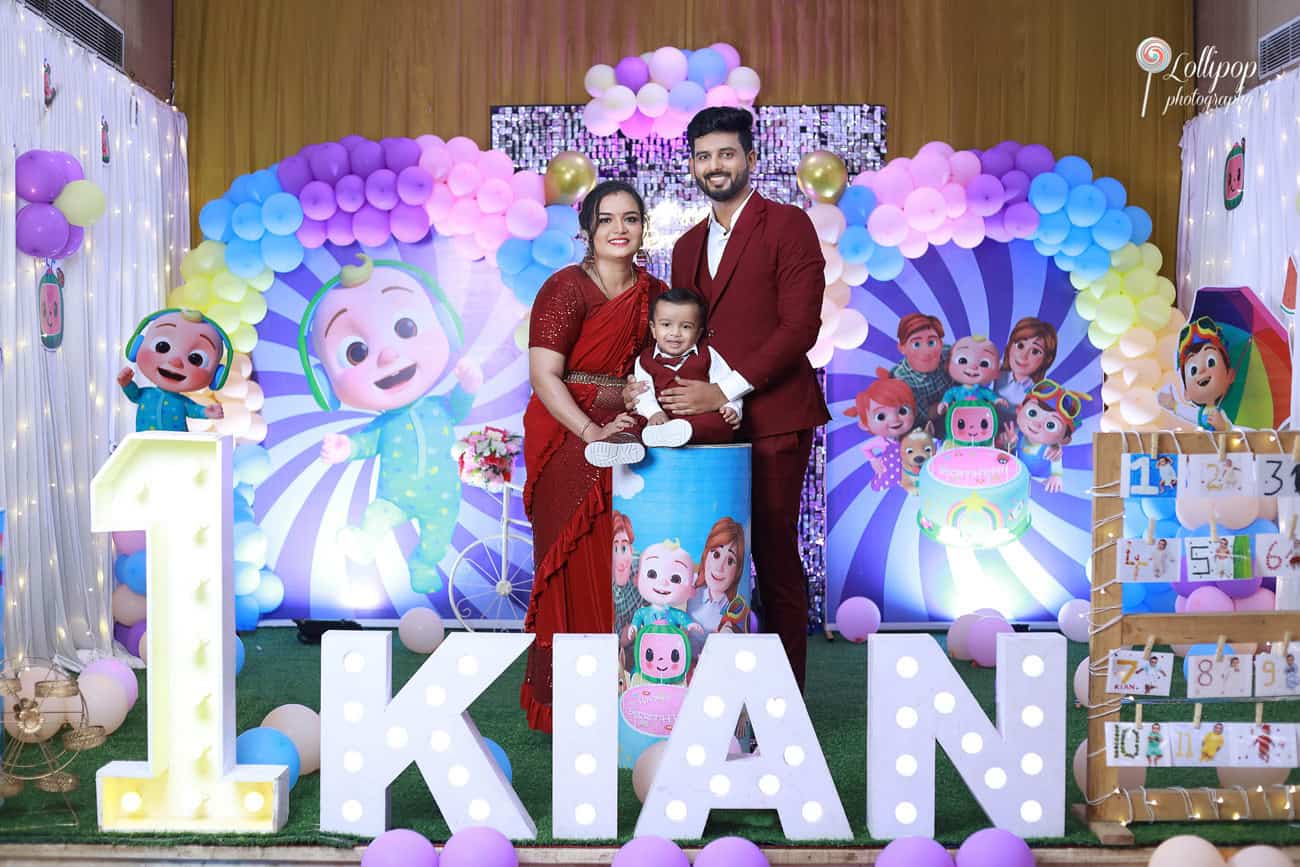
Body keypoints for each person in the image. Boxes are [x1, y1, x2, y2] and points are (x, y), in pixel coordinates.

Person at [628, 106, 828, 690]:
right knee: (710, 552)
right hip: (702, 426)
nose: (715, 166)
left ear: (750, 159)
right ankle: (710, 688)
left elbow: (800, 328)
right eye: (704, 156)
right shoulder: (687, 244)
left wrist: (726, 388)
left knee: (772, 554)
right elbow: (682, 331)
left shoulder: (788, 225)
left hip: (773, 417)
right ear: (692, 165)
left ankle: (784, 696)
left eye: (726, 154)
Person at [521, 179, 666, 733]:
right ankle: (567, 708)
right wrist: (590, 430)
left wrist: (644, 404)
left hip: (630, 436)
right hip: (569, 437)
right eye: (607, 219)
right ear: (587, 229)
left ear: (642, 227)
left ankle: (628, 698)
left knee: (619, 561)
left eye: (630, 218)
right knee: (571, 560)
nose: (619, 229)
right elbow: (544, 375)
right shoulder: (564, 289)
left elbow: (668, 361)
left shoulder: (656, 293)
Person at [308, 254, 480, 592]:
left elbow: (459, 408)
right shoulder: (385, 424)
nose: (387, 356)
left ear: (444, 326)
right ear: (325, 383)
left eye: (405, 328)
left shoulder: (439, 407)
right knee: (374, 517)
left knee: (438, 539)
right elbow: (364, 443)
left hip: (442, 497)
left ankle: (423, 564)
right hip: (393, 498)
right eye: (356, 352)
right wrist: (346, 448)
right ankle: (363, 542)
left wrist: (468, 386)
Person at [585, 286, 740, 466]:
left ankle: (682, 433)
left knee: (720, 423)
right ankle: (623, 443)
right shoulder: (645, 359)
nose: (675, 333)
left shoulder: (708, 355)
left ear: (698, 332)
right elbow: (643, 393)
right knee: (631, 420)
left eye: (686, 327)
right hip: (657, 419)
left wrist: (732, 407)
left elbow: (726, 385)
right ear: (653, 328)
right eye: (666, 325)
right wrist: (654, 413)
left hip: (696, 417)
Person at [118, 309, 229, 431]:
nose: (175, 362)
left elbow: (194, 409)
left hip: (176, 446)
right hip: (146, 445)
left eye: (196, 359)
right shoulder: (146, 394)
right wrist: (127, 384)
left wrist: (206, 412)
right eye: (162, 346)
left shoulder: (182, 402)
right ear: (137, 347)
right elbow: (135, 394)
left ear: (216, 376)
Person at [843, 367, 917, 491]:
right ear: (865, 423)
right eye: (881, 416)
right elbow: (865, 448)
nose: (894, 420)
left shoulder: (911, 436)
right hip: (888, 474)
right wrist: (873, 460)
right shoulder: (882, 441)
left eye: (902, 411)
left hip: (908, 475)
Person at [688, 517, 751, 635]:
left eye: (730, 561)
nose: (719, 567)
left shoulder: (735, 608)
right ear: (706, 554)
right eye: (716, 554)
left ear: (737, 570)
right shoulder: (691, 584)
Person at [891, 313, 950, 431]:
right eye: (916, 344)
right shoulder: (902, 379)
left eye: (931, 342)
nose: (926, 351)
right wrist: (954, 401)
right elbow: (926, 414)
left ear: (940, 343)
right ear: (902, 348)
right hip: (923, 427)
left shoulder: (949, 354)